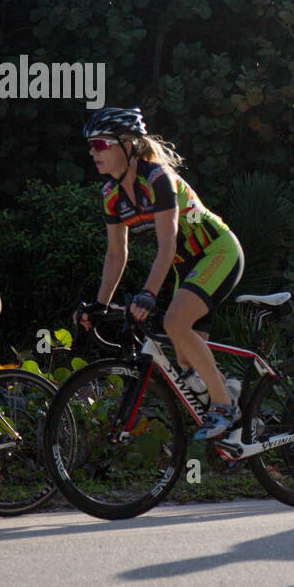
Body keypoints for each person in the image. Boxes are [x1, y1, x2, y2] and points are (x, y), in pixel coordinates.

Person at [75, 107, 244, 440]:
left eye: (101, 144)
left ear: (128, 145)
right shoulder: (110, 195)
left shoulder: (158, 179)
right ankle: (234, 409)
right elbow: (115, 253)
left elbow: (166, 244)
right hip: (187, 266)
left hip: (217, 252)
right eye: (90, 146)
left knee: (174, 323)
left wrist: (149, 294)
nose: (93, 152)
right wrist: (100, 304)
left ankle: (227, 408)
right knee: (187, 363)